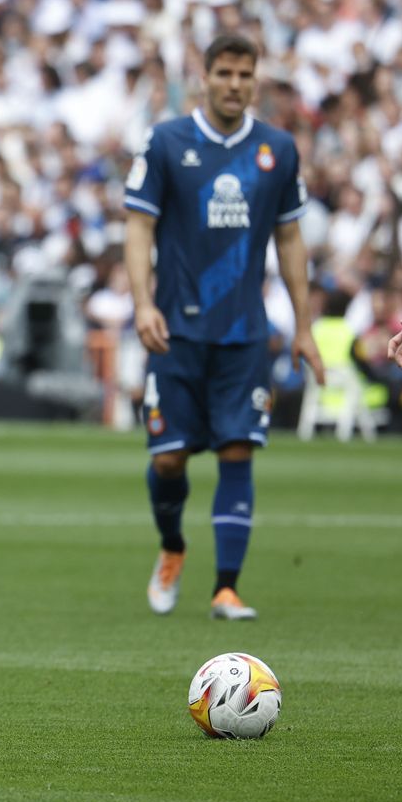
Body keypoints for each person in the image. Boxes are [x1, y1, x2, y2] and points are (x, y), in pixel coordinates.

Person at [124, 32, 323, 621]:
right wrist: (142, 303)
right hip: (176, 333)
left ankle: (226, 589)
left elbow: (290, 239)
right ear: (203, 77)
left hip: (243, 335)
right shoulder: (166, 142)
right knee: (169, 460)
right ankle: (172, 546)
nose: (235, 84)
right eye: (224, 74)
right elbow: (138, 227)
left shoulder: (277, 150)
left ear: (255, 79)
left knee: (239, 451)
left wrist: (305, 328)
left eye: (245, 74)